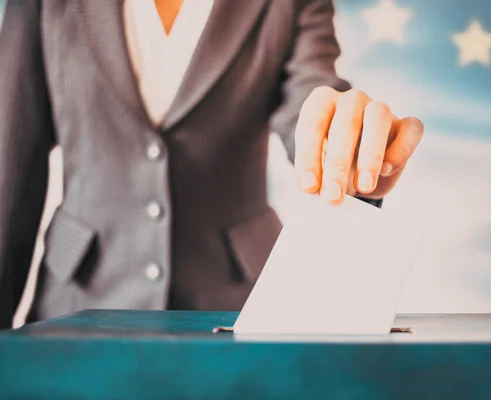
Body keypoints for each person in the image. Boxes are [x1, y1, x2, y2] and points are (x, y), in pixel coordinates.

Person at [0, 0, 423, 329]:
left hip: (234, 307)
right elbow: (9, 171)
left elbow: (310, 103)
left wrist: (348, 149)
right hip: (77, 300)